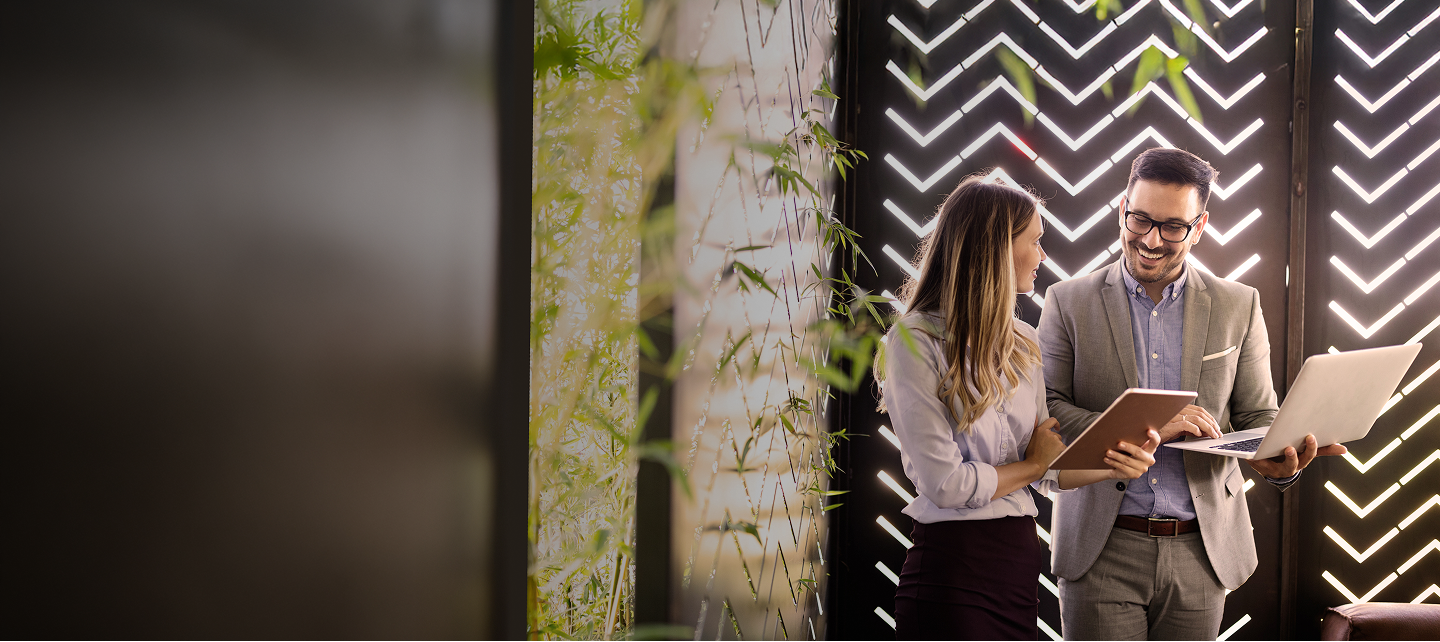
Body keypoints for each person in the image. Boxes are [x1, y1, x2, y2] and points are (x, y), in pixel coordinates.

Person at [1039, 148, 1347, 640]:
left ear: (1199, 226)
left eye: (1173, 227)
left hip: (1202, 552)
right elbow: (1048, 411)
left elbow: (1257, 414)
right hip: (1101, 548)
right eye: (1140, 219)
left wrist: (1278, 458)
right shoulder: (1067, 301)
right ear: (1122, 209)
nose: (1151, 240)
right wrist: (1150, 429)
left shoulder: (1238, 304)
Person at [881, 176, 1161, 641]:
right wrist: (1031, 466)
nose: (1043, 255)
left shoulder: (1023, 341)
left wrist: (1117, 463)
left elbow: (1048, 469)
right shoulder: (914, 341)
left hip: (1016, 568)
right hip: (952, 571)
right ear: (995, 250)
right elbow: (946, 485)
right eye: (1034, 241)